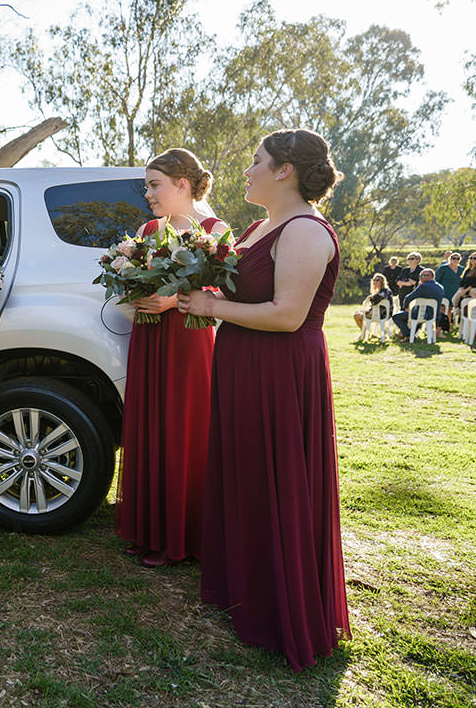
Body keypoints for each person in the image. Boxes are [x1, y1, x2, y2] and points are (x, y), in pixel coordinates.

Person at [177, 128, 349, 671]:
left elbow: (286, 314)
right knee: (246, 472)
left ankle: (282, 608)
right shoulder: (259, 226)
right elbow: (236, 290)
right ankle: (246, 588)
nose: (247, 170)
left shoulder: (304, 230)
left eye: (257, 161)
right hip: (242, 364)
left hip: (279, 371)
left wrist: (211, 311)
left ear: (285, 171)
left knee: (277, 478)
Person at [114, 148, 229, 568]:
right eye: (147, 185)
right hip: (149, 338)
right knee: (150, 427)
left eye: (154, 184)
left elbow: (225, 289)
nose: (148, 194)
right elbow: (136, 275)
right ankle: (149, 530)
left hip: (188, 340)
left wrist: (173, 301)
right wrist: (133, 290)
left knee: (185, 428)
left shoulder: (215, 229)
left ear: (182, 185)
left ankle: (183, 536)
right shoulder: (148, 228)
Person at [391, 268, 445, 339]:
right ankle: (411, 334)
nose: (421, 277)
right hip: (435, 315)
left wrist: (406, 307)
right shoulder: (440, 287)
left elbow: (408, 298)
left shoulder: (423, 286)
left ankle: (408, 334)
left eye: (424, 275)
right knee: (416, 315)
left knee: (396, 317)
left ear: (431, 276)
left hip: (422, 314)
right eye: (420, 276)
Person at [435, 252, 463, 320]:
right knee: (444, 309)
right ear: (450, 259)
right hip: (445, 292)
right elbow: (436, 280)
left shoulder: (462, 269)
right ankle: (442, 326)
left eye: (457, 258)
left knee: (452, 309)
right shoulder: (443, 268)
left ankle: (450, 326)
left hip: (457, 293)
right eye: (454, 258)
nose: (456, 260)